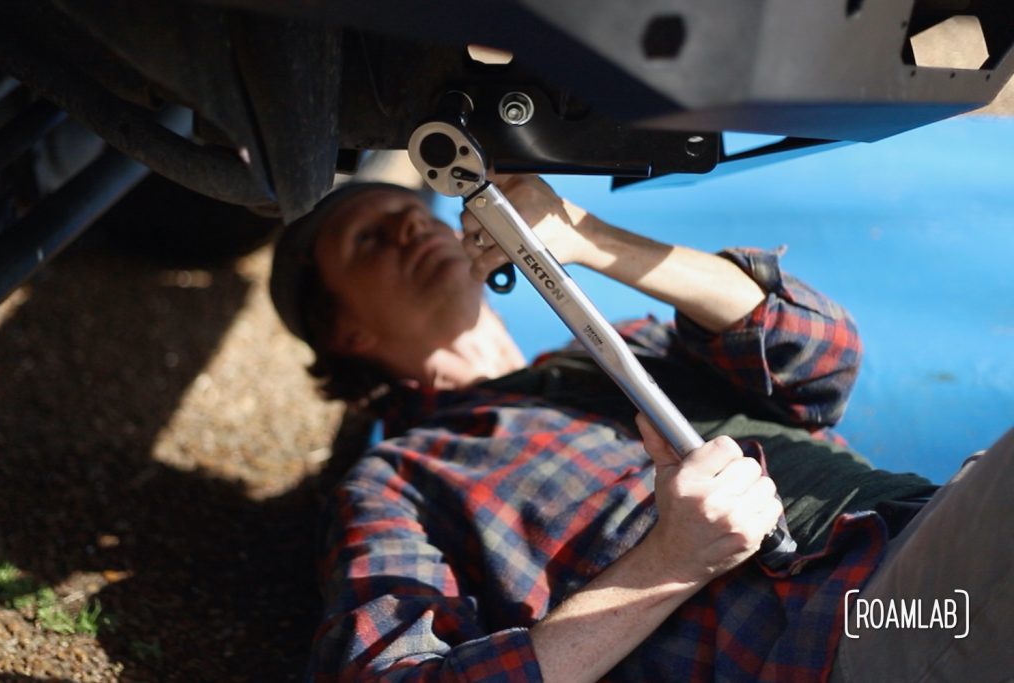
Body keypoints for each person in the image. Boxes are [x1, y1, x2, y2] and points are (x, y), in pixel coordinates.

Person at [269, 175, 1012, 682]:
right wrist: (671, 562)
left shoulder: (628, 347)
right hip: (859, 628)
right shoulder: (401, 476)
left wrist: (587, 237)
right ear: (346, 333)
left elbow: (820, 355)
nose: (407, 227)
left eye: (411, 214)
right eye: (369, 239)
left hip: (927, 535)